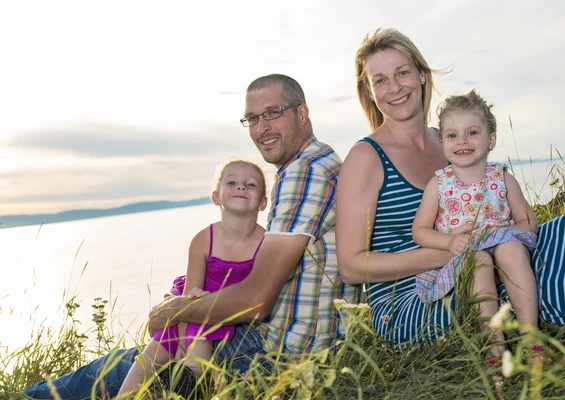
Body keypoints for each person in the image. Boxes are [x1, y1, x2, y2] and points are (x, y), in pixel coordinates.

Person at [24, 74, 360, 399]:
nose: (262, 128)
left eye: (272, 113)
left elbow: (255, 300)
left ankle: (33, 396)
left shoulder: (304, 173)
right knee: (155, 353)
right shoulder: (316, 163)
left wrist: (174, 311)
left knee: (132, 362)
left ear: (302, 113)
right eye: (252, 118)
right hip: (300, 343)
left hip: (276, 355)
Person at [336, 27, 565, 352]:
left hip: (477, 254)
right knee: (535, 279)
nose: (394, 87)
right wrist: (456, 251)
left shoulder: (449, 138)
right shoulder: (366, 157)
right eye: (380, 80)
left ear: (420, 75)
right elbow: (350, 267)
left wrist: (499, 239)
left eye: (402, 72)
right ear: (370, 91)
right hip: (411, 297)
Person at [118, 160, 268, 396]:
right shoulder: (203, 240)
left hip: (223, 310)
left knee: (200, 346)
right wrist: (179, 342)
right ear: (216, 197)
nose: (241, 187)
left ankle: (188, 381)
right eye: (231, 182)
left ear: (263, 202)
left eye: (251, 184)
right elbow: (186, 302)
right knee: (154, 352)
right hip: (192, 303)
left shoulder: (266, 243)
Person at [411, 90, 540, 362]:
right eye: (452, 135)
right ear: (442, 142)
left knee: (510, 250)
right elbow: (420, 231)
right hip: (467, 258)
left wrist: (504, 234)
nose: (462, 141)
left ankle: (531, 338)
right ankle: (495, 347)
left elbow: (528, 222)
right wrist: (447, 242)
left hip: (505, 253)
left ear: (490, 139)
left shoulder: (502, 178)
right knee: (478, 259)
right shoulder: (439, 185)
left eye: (472, 132)